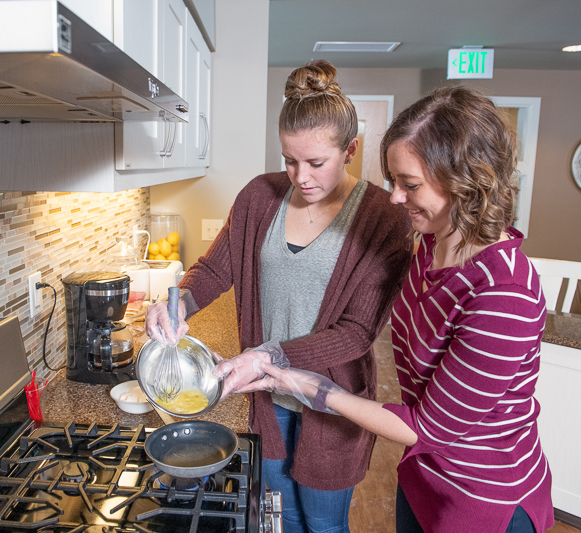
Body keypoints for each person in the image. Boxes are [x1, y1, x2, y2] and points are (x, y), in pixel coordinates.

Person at [240, 86, 555, 533]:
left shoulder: (505, 293)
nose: (393, 198)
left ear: (467, 181)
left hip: (483, 497)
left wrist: (314, 387)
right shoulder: (430, 245)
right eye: (393, 182)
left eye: (409, 185)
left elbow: (429, 428)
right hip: (425, 476)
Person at [145, 59, 412, 533]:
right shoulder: (259, 197)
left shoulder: (382, 219)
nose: (300, 176)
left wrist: (266, 356)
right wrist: (177, 305)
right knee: (280, 518)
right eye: (289, 160)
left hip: (333, 405)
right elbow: (212, 271)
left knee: (325, 524)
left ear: (350, 149)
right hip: (267, 402)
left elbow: (354, 334)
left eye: (316, 162)